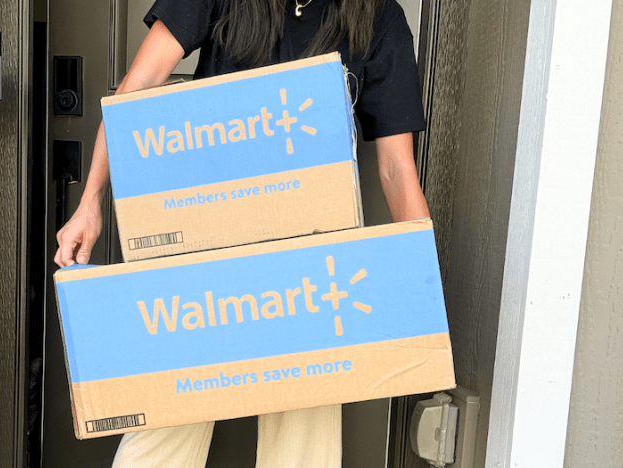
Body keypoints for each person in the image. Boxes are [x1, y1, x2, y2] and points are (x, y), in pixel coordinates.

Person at [54, 0, 429, 465]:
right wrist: (91, 201)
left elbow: (396, 168)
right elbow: (139, 87)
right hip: (205, 247)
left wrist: (419, 283)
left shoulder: (377, 16)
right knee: (168, 418)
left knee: (303, 444)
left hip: (313, 266)